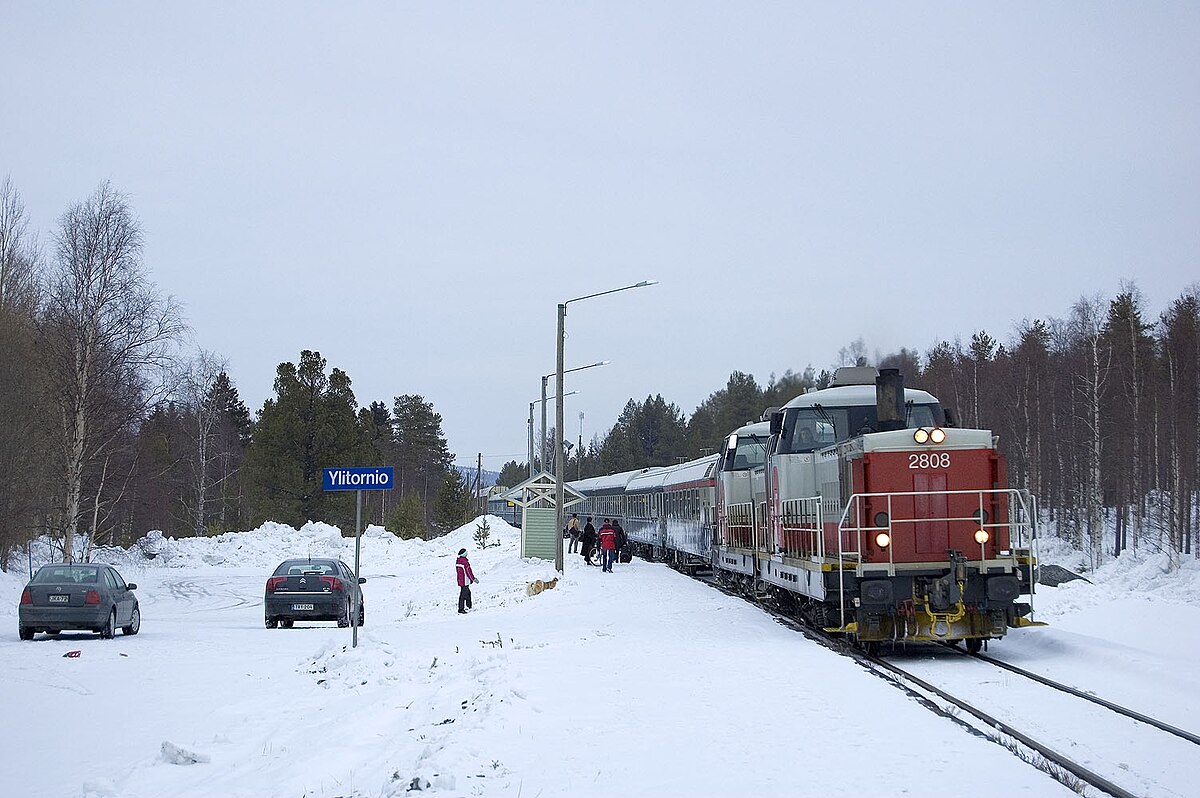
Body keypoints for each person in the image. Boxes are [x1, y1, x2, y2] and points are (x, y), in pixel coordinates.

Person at [455, 548, 478, 614]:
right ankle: (461, 609)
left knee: (468, 593)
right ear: (464, 554)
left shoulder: (458, 561)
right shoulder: (465, 562)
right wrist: (473, 579)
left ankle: (469, 606)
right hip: (465, 581)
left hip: (461, 580)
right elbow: (468, 572)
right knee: (463, 595)